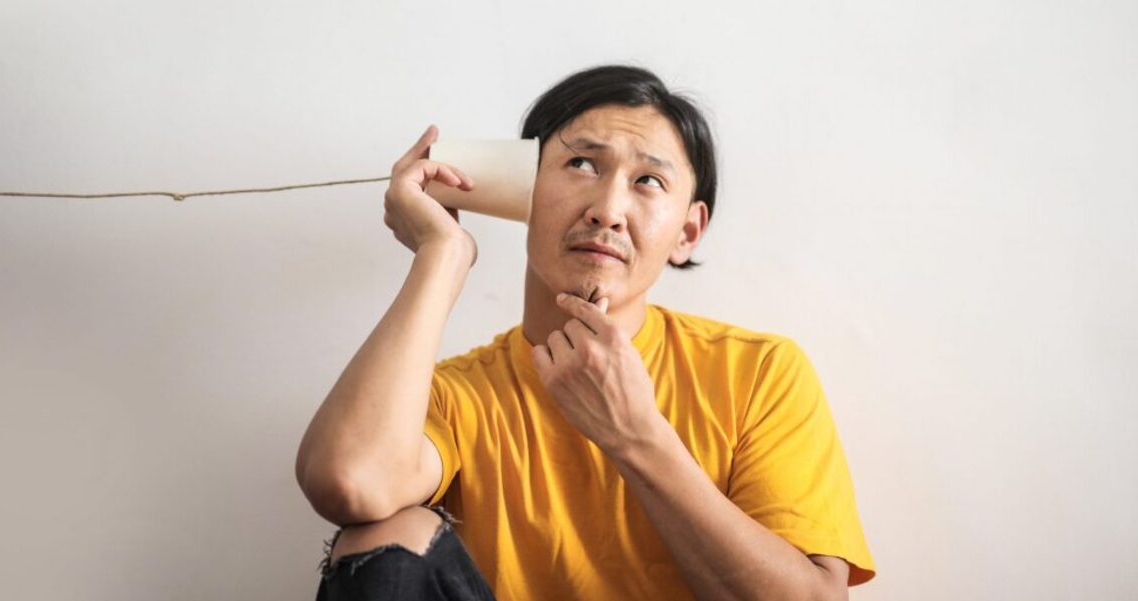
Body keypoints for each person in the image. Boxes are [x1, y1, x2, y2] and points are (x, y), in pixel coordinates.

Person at [296, 64, 877, 600]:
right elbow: (349, 481)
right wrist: (441, 254)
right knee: (383, 530)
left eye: (648, 181)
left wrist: (635, 435)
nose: (608, 209)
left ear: (687, 232)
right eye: (581, 164)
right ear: (521, 191)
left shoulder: (758, 373)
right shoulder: (455, 395)